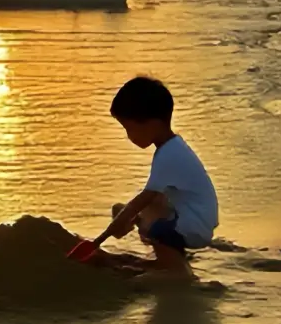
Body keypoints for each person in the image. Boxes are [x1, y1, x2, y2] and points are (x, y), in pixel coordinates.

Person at [89, 76, 218, 272]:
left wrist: (104, 236)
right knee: (140, 209)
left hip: (193, 228)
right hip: (195, 220)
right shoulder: (172, 147)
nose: (129, 136)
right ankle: (168, 254)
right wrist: (127, 217)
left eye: (129, 128)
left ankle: (175, 270)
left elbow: (142, 199)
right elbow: (154, 197)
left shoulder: (169, 155)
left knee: (152, 225)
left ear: (151, 124)